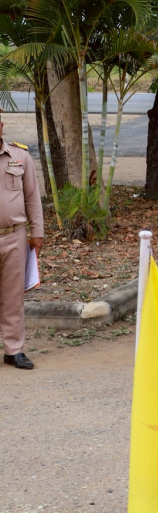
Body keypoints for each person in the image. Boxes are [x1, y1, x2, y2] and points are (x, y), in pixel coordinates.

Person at [0, 115, 43, 370]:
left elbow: (32, 197)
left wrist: (38, 232)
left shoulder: (20, 156)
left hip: (14, 235)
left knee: (13, 296)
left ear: (1, 126)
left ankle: (14, 350)